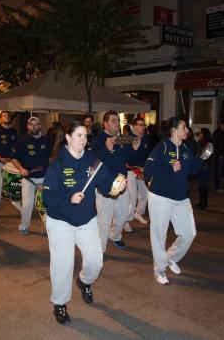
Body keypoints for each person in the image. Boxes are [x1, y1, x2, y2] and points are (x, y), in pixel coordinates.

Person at [43, 120, 125, 325]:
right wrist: (68, 199)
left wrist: (117, 186)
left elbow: (107, 186)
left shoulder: (93, 162)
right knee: (63, 264)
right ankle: (60, 304)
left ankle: (84, 281)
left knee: (96, 261)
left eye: (85, 136)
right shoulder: (57, 164)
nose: (83, 139)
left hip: (86, 220)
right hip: (60, 220)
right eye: (78, 135)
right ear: (68, 138)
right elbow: (47, 197)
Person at [144, 117, 204, 285]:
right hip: (160, 196)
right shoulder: (162, 147)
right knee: (159, 234)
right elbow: (148, 169)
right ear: (174, 130)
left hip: (180, 198)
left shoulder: (185, 148)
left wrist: (202, 158)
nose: (187, 131)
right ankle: (159, 269)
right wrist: (170, 168)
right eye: (184, 127)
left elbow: (193, 170)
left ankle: (170, 257)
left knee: (188, 233)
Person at [89, 110, 139, 252]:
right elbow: (92, 161)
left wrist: (136, 146)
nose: (117, 123)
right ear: (105, 123)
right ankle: (100, 249)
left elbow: (131, 159)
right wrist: (106, 149)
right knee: (104, 220)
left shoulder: (123, 139)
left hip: (121, 182)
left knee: (124, 213)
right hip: (105, 185)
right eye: (113, 120)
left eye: (118, 120)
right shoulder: (98, 139)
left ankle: (115, 235)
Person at [11, 116, 51, 235]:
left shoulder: (45, 140)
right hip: (28, 179)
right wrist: (21, 169)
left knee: (48, 203)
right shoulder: (22, 141)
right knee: (28, 204)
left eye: (36, 124)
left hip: (44, 178)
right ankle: (23, 226)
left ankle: (51, 226)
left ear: (40, 126)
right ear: (28, 127)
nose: (34, 127)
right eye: (31, 125)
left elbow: (50, 157)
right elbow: (13, 158)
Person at [124, 117, 151, 231]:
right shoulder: (127, 138)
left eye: (143, 125)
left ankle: (137, 213)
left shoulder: (146, 139)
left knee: (145, 194)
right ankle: (126, 221)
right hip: (129, 170)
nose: (143, 127)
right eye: (140, 125)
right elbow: (121, 152)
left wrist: (145, 168)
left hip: (141, 170)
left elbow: (147, 155)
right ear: (134, 126)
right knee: (132, 197)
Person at [0, 111, 18, 218]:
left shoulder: (14, 131)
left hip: (11, 162)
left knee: (16, 185)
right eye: (4, 115)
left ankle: (17, 203)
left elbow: (17, 147)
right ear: (0, 119)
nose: (6, 117)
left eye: (8, 115)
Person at [196, 128, 212, 210]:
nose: (200, 134)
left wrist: (199, 161)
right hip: (200, 166)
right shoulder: (200, 142)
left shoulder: (208, 144)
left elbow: (205, 156)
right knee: (200, 184)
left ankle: (204, 203)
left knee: (203, 185)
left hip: (204, 167)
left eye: (201, 133)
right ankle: (201, 201)